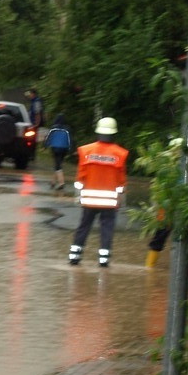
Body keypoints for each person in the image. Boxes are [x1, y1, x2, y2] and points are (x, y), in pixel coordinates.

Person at [68, 117, 128, 268]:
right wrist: (121, 198)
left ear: (98, 132)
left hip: (89, 200)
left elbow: (80, 177)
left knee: (84, 226)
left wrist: (78, 196)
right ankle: (103, 259)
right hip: (109, 202)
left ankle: (75, 256)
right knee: (107, 229)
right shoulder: (120, 154)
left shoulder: (85, 151)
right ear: (114, 133)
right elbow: (121, 181)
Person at [43, 114, 71, 190]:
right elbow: (70, 139)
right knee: (58, 163)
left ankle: (61, 182)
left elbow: (48, 138)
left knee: (57, 165)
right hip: (64, 149)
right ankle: (53, 182)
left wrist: (45, 146)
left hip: (55, 148)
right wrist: (71, 149)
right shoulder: (67, 129)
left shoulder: (53, 128)